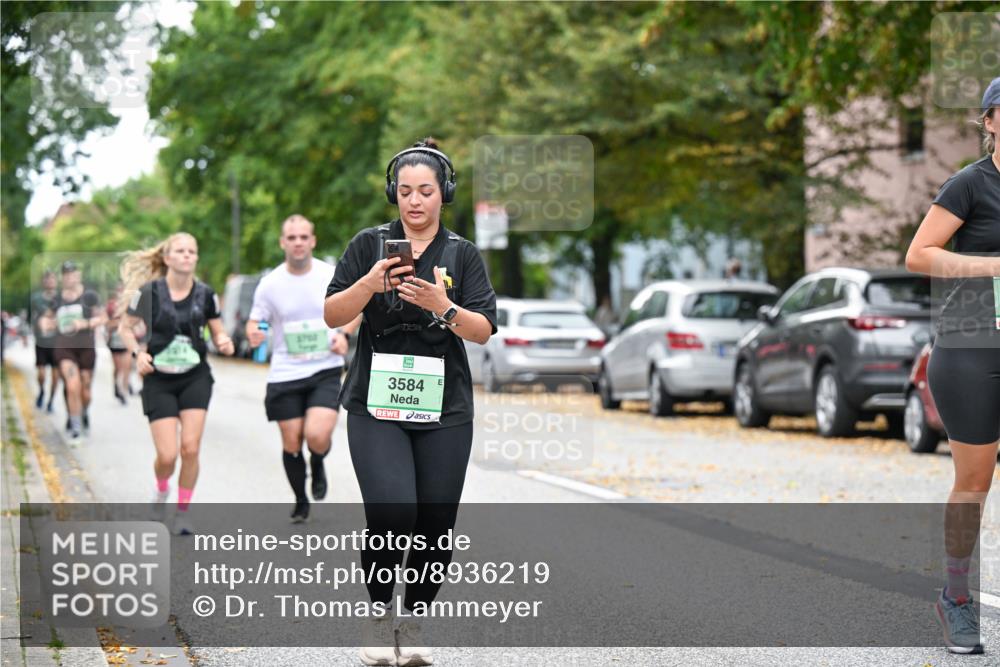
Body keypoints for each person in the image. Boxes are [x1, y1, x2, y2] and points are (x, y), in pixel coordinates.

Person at [324, 138, 497, 667]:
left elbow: (484, 330)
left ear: (443, 194)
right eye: (405, 191)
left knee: (435, 522)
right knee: (393, 511)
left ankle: (414, 618)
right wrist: (370, 284)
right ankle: (379, 616)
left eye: (425, 191)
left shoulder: (462, 254)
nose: (415, 201)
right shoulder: (367, 245)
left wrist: (443, 307)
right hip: (376, 403)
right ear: (392, 195)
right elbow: (333, 314)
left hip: (445, 409)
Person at [905, 76, 1000, 655]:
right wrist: (995, 266)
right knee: (975, 482)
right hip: (970, 349)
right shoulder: (970, 185)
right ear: (990, 122)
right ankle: (957, 598)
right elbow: (919, 254)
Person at [117, 232, 235, 535]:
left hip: (195, 376)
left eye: (191, 252)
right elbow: (125, 328)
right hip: (159, 379)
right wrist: (137, 353)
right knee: (167, 455)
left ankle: (183, 512)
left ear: (196, 258)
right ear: (167, 258)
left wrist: (223, 341)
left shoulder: (206, 294)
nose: (186, 256)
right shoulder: (147, 292)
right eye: (180, 251)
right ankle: (161, 489)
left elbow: (217, 330)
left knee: (190, 448)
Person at [246, 214, 360, 523]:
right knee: (291, 440)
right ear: (283, 242)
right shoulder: (270, 284)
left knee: (317, 436)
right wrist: (254, 332)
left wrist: (344, 335)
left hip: (324, 368)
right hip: (285, 371)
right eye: (291, 238)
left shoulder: (330, 274)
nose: (298, 242)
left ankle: (318, 460)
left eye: (303, 237)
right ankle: (300, 500)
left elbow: (355, 306)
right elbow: (256, 320)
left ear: (313, 241)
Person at [50, 261, 103, 444]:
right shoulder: (57, 299)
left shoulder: (89, 296)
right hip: (64, 347)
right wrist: (48, 323)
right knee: (72, 386)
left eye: (72, 273)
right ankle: (75, 426)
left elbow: (102, 318)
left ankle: (84, 411)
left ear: (78, 275)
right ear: (62, 277)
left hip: (86, 348)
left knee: (85, 391)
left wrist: (85, 324)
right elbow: (48, 319)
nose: (69, 277)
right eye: (66, 274)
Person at [30, 270, 61, 412]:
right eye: (47, 279)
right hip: (41, 341)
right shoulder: (36, 298)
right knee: (41, 373)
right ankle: (42, 390)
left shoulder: (61, 298)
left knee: (56, 375)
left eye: (52, 279)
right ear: (43, 282)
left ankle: (51, 401)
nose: (50, 282)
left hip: (57, 343)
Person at [105, 283, 132, 405]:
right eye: (119, 290)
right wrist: (118, 323)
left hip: (128, 340)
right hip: (115, 340)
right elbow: (106, 323)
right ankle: (116, 384)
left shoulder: (132, 304)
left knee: (127, 366)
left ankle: (123, 391)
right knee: (118, 368)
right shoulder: (111, 305)